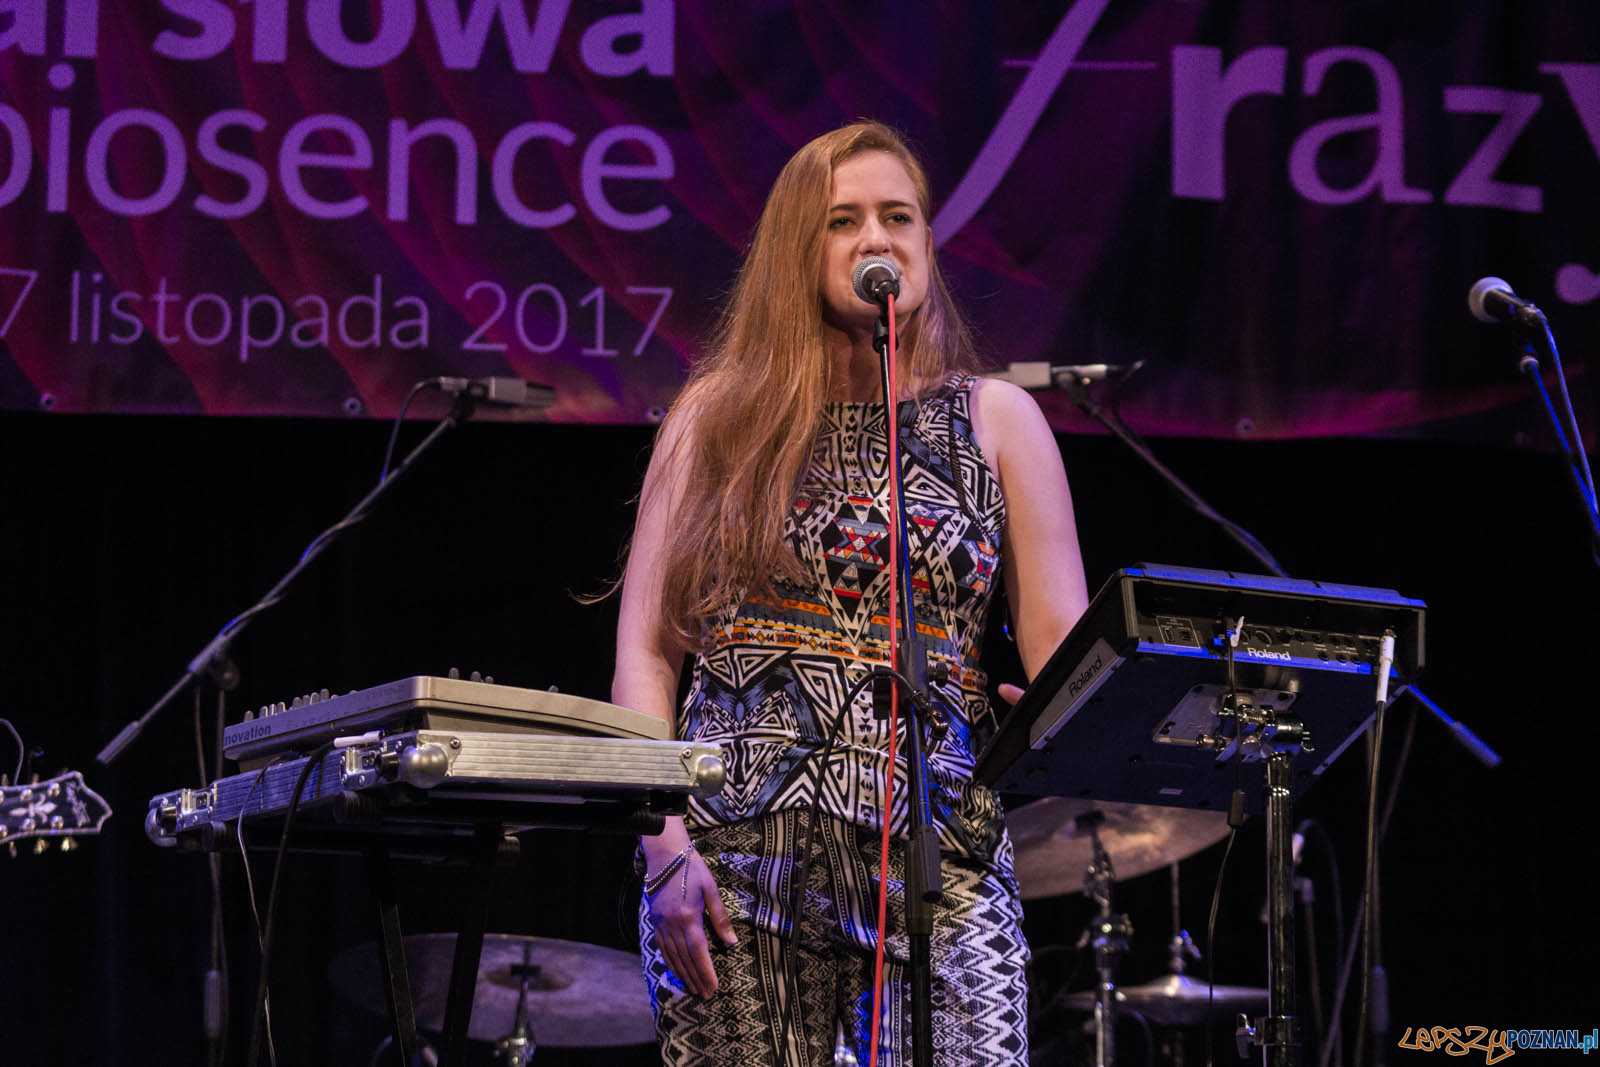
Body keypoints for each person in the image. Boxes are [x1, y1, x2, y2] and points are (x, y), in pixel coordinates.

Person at [611, 120, 1090, 1066]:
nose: (877, 237)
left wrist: (1067, 713)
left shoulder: (997, 420)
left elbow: (1064, 650)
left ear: (927, 243)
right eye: (844, 220)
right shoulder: (715, 419)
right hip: (736, 860)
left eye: (897, 216)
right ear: (798, 247)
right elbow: (645, 652)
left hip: (941, 855)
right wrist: (661, 843)